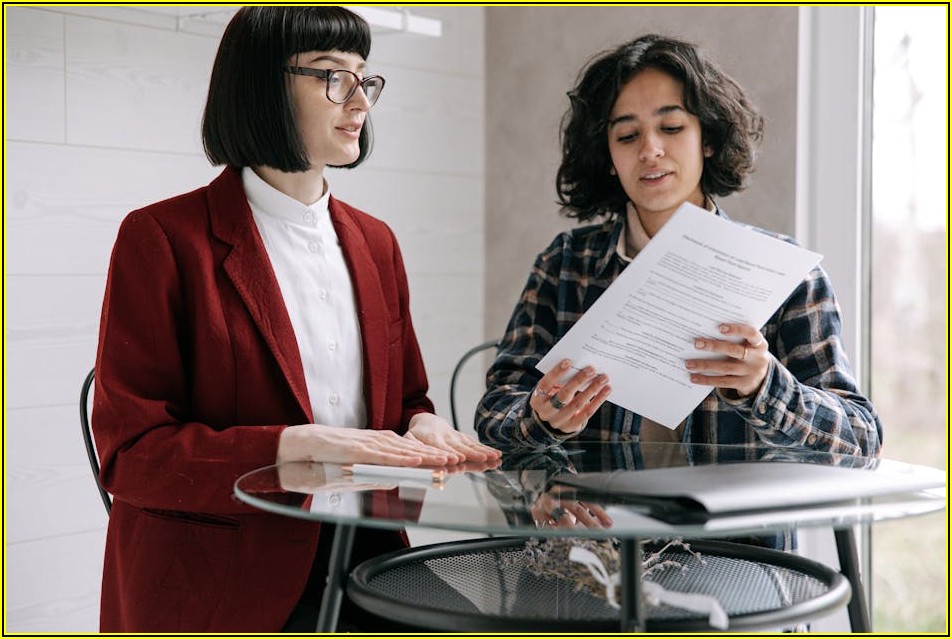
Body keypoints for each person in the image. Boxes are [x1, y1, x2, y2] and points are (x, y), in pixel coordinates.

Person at [92, 6, 499, 632]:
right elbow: (132, 454)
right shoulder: (162, 238)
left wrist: (421, 426)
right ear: (263, 86)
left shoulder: (376, 242)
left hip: (364, 554)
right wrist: (292, 447)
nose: (360, 98)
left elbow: (406, 398)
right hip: (224, 577)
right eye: (332, 75)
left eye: (365, 76)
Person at [477, 34, 882, 465]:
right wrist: (540, 418)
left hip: (730, 534)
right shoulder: (565, 265)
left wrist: (763, 384)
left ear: (707, 139)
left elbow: (860, 439)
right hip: (597, 528)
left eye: (671, 128)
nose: (650, 150)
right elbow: (492, 416)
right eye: (628, 135)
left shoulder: (783, 273)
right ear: (608, 156)